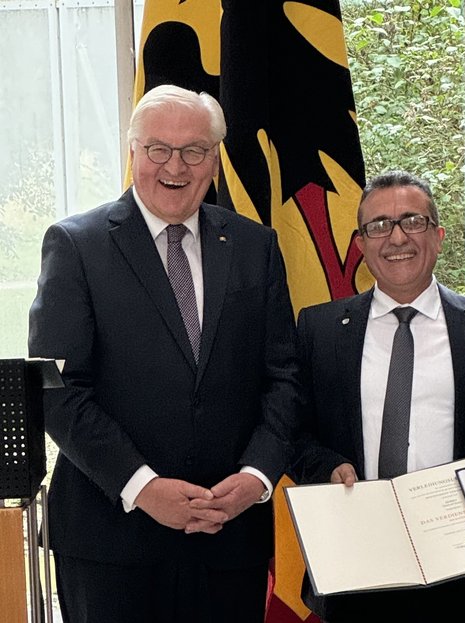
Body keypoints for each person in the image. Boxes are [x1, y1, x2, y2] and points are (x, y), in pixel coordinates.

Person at [28, 84, 301, 623]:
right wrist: (144, 487)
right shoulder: (75, 245)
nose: (175, 165)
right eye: (158, 149)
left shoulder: (256, 246)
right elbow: (60, 392)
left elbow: (285, 378)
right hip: (111, 539)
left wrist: (257, 478)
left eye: (194, 150)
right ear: (132, 153)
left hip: (229, 537)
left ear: (215, 161)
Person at [290, 170, 465, 623]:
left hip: (463, 567)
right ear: (361, 245)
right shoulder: (319, 330)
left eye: (413, 221)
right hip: (356, 564)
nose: (397, 237)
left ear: (439, 236)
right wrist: (325, 466)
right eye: (379, 225)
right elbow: (292, 432)